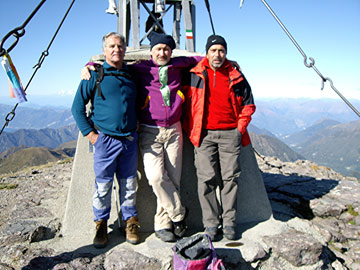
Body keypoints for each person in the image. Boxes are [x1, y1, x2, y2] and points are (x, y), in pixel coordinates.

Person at [81, 32, 202, 242]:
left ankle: (163, 224)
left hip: (174, 130)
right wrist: (89, 63)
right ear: (151, 52)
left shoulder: (179, 64)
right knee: (155, 177)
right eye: (158, 49)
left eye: (166, 49)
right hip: (149, 130)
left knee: (173, 179)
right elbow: (112, 61)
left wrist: (231, 61)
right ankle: (179, 214)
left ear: (171, 51)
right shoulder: (139, 67)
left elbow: (202, 59)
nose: (162, 52)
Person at [182, 34, 256, 241]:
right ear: (206, 53)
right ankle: (211, 224)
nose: (218, 54)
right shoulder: (194, 73)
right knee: (206, 180)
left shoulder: (236, 75)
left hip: (230, 134)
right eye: (213, 50)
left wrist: (238, 130)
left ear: (226, 53)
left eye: (221, 50)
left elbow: (249, 104)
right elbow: (186, 104)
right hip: (203, 135)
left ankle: (230, 222)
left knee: (230, 179)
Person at [71, 32, 140, 248]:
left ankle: (130, 222)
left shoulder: (132, 74)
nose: (116, 50)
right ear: (104, 50)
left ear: (125, 49)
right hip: (105, 140)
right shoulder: (94, 74)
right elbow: (77, 108)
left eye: (120, 46)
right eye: (111, 46)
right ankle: (101, 224)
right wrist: (91, 136)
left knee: (129, 184)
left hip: (129, 140)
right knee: (103, 185)